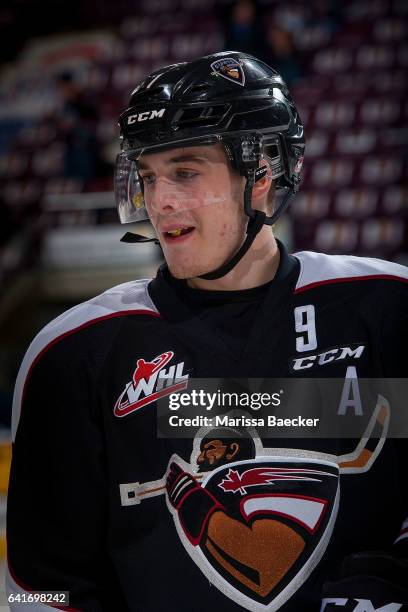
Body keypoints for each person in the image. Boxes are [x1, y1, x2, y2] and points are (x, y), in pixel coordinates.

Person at [6, 51, 408, 611]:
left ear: (263, 173)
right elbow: (37, 590)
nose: (160, 201)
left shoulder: (388, 307)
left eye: (186, 172)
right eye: (148, 177)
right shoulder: (76, 353)